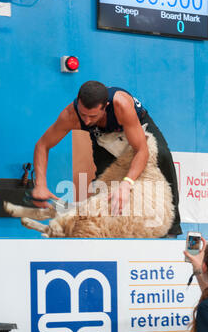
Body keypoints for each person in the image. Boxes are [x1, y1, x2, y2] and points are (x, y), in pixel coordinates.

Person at [32, 81, 182, 236]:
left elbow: (141, 151)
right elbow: (42, 145)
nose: (86, 121)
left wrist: (127, 183)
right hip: (102, 134)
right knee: (104, 183)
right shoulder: (70, 115)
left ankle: (172, 228)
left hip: (135, 125)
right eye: (83, 114)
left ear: (106, 106)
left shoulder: (121, 105)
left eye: (92, 116)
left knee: (162, 157)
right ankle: (104, 231)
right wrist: (40, 184)